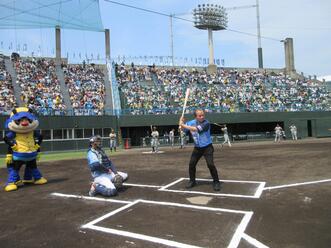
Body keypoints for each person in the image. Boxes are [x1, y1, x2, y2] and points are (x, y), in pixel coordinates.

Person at [179, 109, 221, 191]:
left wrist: (183, 125)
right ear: (195, 116)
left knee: (210, 164)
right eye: (200, 116)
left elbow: (195, 129)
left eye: (203, 115)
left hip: (207, 147)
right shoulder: (191, 122)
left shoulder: (206, 123)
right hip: (197, 148)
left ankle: (216, 182)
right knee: (191, 164)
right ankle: (192, 181)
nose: (202, 117)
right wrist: (181, 123)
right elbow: (183, 130)